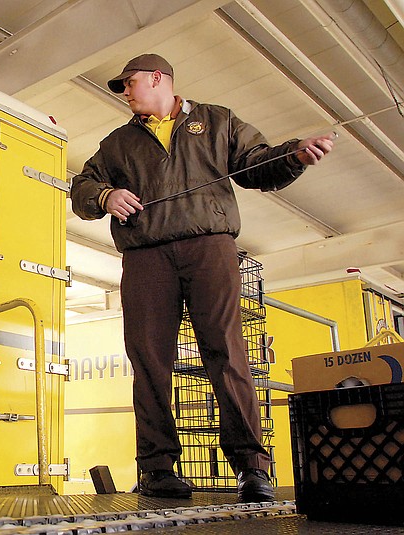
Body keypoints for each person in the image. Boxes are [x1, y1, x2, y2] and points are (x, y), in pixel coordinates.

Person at [70, 54, 333, 502]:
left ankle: (252, 468)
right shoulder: (117, 143)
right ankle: (157, 469)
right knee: (149, 360)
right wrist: (106, 195)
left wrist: (294, 156)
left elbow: (258, 163)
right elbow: (82, 187)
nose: (125, 92)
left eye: (129, 83)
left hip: (209, 246)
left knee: (227, 351)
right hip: (145, 255)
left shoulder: (216, 121)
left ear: (159, 79)